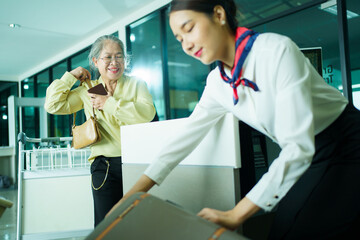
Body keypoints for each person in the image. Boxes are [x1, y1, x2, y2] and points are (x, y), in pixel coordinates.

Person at [109, 0, 360, 239]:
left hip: (347, 141)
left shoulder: (275, 50)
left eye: (189, 28)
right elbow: (181, 142)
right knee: (282, 229)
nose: (186, 45)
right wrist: (128, 199)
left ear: (219, 15)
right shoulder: (217, 84)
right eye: (179, 38)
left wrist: (236, 214)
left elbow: (298, 146)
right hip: (308, 154)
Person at [44, 35, 156, 226]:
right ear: (95, 61)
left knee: (137, 222)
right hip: (104, 167)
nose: (114, 62)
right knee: (106, 223)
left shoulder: (136, 84)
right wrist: (70, 76)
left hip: (137, 163)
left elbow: (147, 114)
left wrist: (109, 103)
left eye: (119, 56)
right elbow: (53, 105)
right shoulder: (90, 88)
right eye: (108, 57)